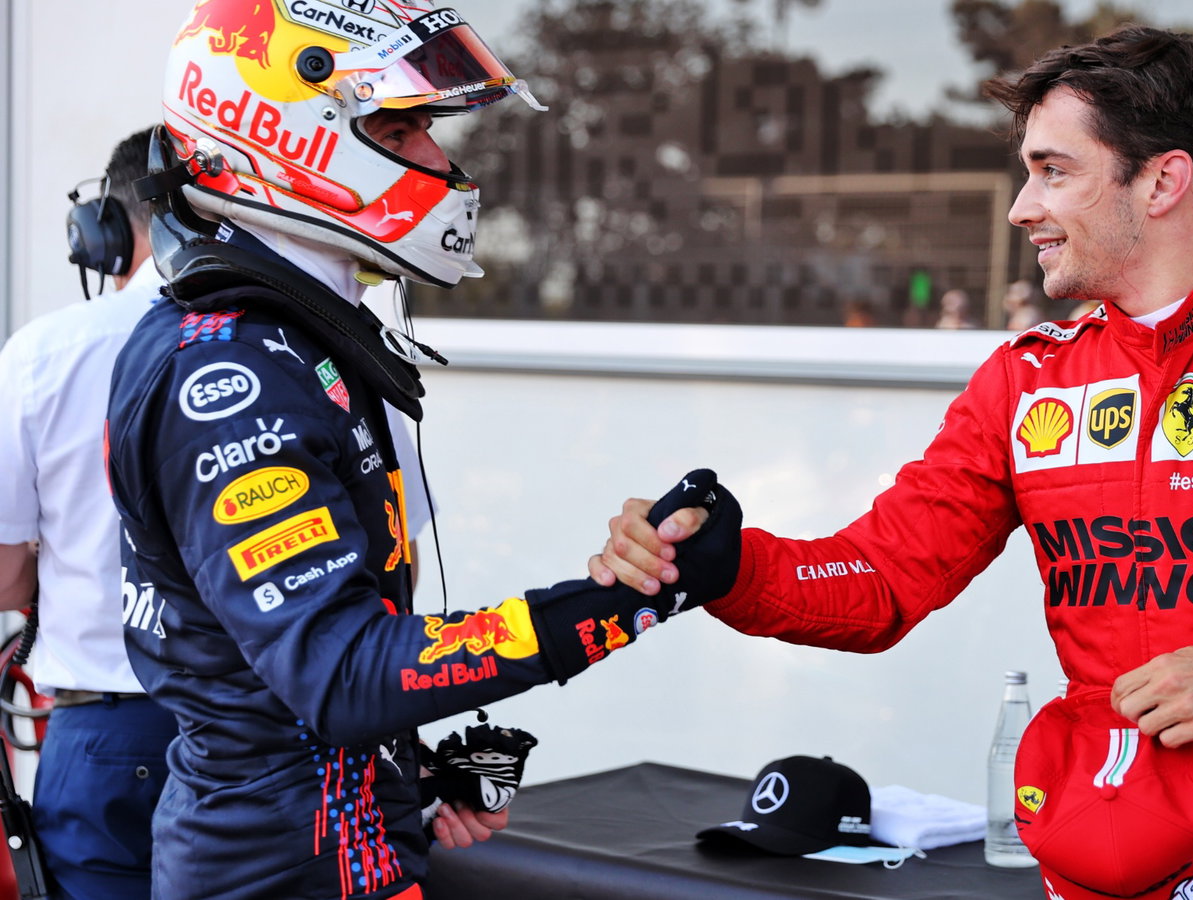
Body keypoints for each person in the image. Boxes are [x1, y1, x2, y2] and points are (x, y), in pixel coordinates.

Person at [591, 25, 1193, 899]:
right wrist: (724, 565)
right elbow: (880, 581)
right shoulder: (1025, 382)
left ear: (1162, 180)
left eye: (1053, 170)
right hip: (1099, 858)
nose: (1023, 207)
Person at [104, 4, 729, 899]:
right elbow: (341, 672)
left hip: (332, 850)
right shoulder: (229, 372)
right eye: (399, 129)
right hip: (277, 874)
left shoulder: (286, 336)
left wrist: (412, 777)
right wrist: (625, 599)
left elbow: (282, 676)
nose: (440, 161)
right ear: (283, 138)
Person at [0, 127, 181, 900]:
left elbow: (4, 579)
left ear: (105, 231)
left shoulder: (47, 353)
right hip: (276, 737)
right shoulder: (319, 344)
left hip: (108, 730)